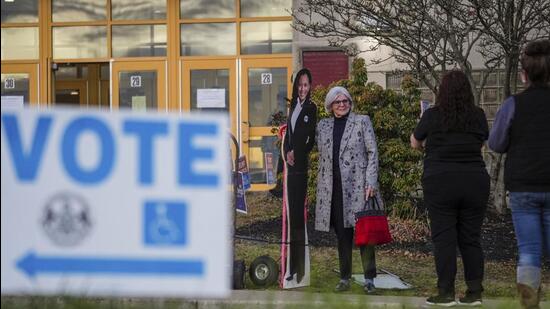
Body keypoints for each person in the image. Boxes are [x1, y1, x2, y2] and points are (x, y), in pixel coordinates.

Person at [411, 70, 490, 306]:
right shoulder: (478, 115)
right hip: (474, 180)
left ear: (441, 91)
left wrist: (430, 141)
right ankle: (474, 292)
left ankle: (445, 292)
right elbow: (484, 143)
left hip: (440, 180)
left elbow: (415, 142)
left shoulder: (432, 115)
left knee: (444, 238)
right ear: (467, 91)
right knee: (471, 238)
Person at [488, 39, 550, 309]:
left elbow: (496, 143)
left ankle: (530, 304)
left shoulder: (513, 105)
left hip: (523, 187)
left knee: (529, 251)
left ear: (524, 74)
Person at [315, 86, 381, 293]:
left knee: (364, 235)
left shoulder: (362, 121)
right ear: (330, 105)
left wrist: (371, 182)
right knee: (342, 236)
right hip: (333, 189)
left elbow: (373, 152)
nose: (342, 105)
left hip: (359, 187)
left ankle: (369, 279)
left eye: (345, 101)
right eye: (337, 102)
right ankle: (345, 277)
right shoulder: (323, 126)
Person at [282, 68, 317, 284]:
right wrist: (287, 152)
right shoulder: (293, 106)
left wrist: (298, 153)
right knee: (292, 217)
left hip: (300, 168)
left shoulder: (311, 108)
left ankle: (300, 269)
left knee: (297, 219)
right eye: (300, 85)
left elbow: (310, 139)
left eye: (306, 85)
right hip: (290, 167)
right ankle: (292, 267)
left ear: (310, 86)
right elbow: (289, 136)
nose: (303, 88)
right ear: (296, 86)